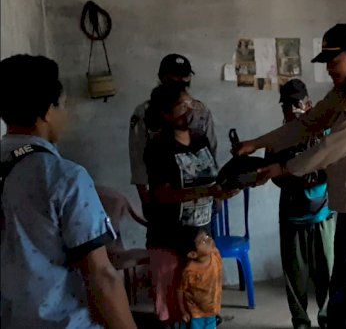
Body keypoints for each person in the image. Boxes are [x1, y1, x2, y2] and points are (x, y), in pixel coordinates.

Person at [234, 23, 346, 328]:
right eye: (326, 63)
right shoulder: (343, 93)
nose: (329, 70)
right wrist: (258, 143)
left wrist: (283, 168)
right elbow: (306, 124)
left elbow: (327, 148)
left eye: (334, 62)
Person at [0, 54, 136, 328]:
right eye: (62, 105)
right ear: (47, 113)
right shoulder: (64, 177)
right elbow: (101, 276)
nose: (66, 114)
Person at [144, 84, 236, 327]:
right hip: (171, 239)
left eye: (190, 104)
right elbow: (163, 195)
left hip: (203, 235)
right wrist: (206, 191)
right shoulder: (157, 147)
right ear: (165, 114)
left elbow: (213, 179)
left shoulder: (200, 138)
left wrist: (224, 191)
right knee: (178, 310)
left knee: (204, 304)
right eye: (181, 107)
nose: (189, 111)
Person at [266, 79, 335, 329]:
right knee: (295, 277)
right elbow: (272, 175)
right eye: (287, 106)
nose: (293, 110)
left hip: (323, 216)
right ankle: (300, 322)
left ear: (308, 104)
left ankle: (327, 320)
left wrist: (306, 174)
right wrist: (297, 178)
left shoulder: (324, 132)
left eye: (298, 104)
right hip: (292, 217)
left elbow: (334, 166)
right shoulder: (279, 139)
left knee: (327, 273)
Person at [129, 53, 217, 213]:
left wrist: (214, 194)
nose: (182, 82)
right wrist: (145, 197)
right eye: (175, 77)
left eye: (185, 76)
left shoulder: (201, 111)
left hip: (201, 203)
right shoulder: (144, 113)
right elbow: (137, 157)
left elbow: (211, 153)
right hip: (166, 198)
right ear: (162, 78)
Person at [176, 227, 223, 329]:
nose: (209, 240)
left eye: (207, 236)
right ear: (193, 254)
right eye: (203, 241)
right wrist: (183, 312)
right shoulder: (190, 271)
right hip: (196, 314)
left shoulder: (215, 254)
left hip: (212, 310)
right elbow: (180, 291)